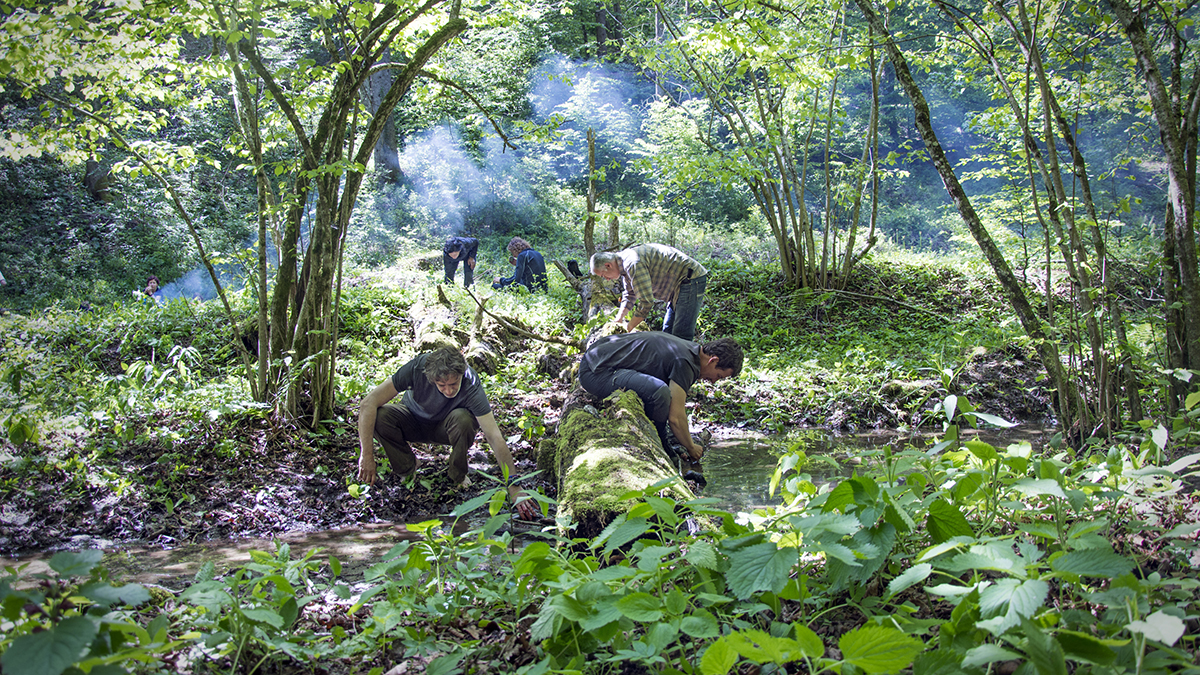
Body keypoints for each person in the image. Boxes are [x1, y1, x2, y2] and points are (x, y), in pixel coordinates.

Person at [356, 347, 537, 519]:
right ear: (431, 378)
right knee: (381, 416)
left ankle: (457, 475)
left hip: (447, 427)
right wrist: (367, 455)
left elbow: (494, 436)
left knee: (464, 419)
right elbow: (368, 404)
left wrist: (514, 486)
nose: (448, 391)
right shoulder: (417, 368)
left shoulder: (470, 382)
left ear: (461, 375)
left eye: (453, 384)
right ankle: (407, 468)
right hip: (412, 420)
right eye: (441, 385)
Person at [578, 332, 743, 461]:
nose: (714, 381)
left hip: (596, 358)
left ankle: (663, 439)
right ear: (713, 360)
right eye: (719, 376)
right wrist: (691, 447)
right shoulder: (685, 362)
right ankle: (661, 443)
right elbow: (676, 417)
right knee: (660, 392)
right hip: (596, 372)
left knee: (660, 394)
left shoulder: (690, 350)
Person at [590, 244, 708, 341]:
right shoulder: (623, 264)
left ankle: (684, 367)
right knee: (667, 331)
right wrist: (618, 319)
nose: (607, 279)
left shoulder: (632, 263)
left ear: (608, 265)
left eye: (604, 275)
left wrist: (628, 328)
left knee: (681, 335)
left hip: (691, 279)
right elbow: (630, 294)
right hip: (677, 286)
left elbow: (646, 302)